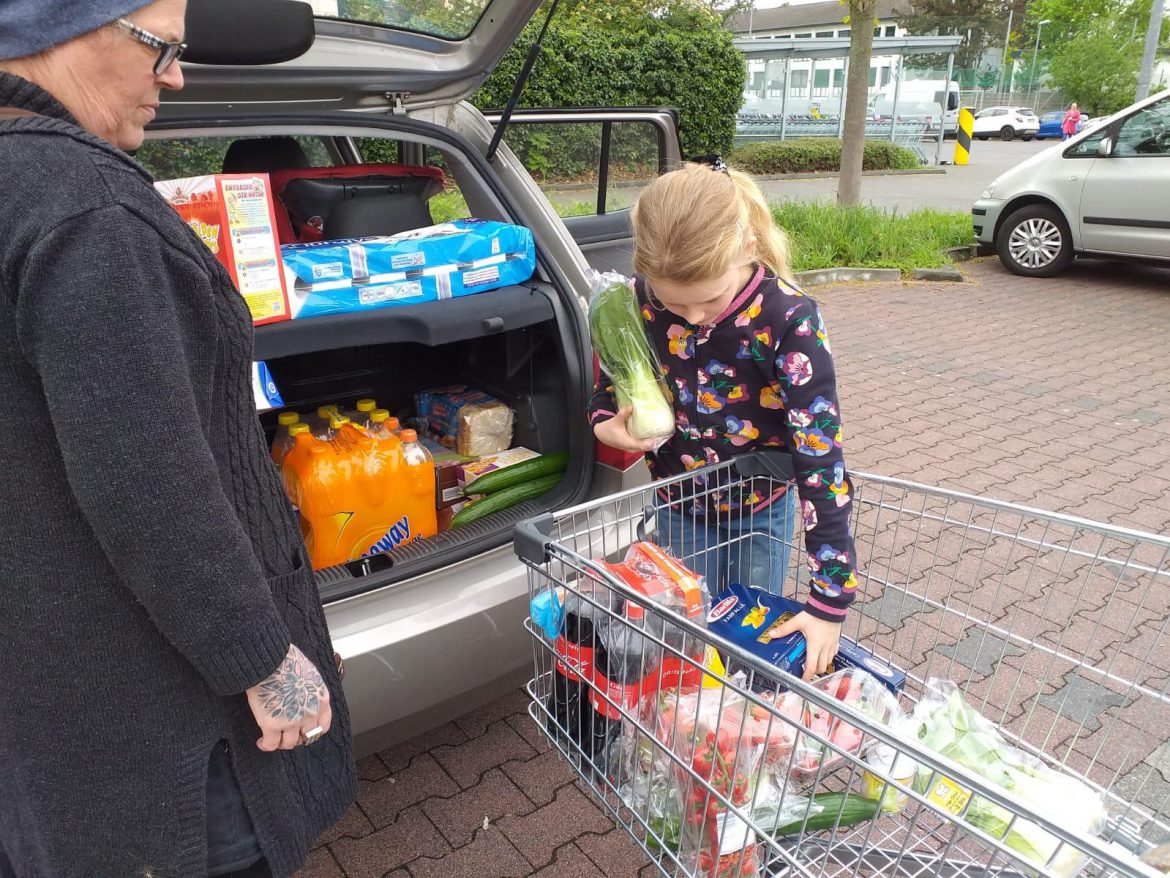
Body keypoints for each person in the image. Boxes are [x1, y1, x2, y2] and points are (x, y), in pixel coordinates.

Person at [0, 2, 357, 876]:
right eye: (161, 49)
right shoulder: (87, 213)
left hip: (51, 708)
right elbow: (147, 485)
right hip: (165, 742)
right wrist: (262, 658)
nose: (177, 77)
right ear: (57, 32)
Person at [589, 161, 860, 682]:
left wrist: (829, 602)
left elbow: (821, 461)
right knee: (682, 645)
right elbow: (610, 385)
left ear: (748, 248)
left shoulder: (789, 319)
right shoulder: (639, 301)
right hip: (678, 506)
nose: (691, 317)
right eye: (674, 303)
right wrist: (606, 425)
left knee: (745, 654)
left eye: (709, 300)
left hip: (760, 513)